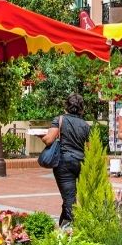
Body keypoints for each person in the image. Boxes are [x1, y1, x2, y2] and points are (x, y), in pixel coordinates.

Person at [40, 93, 91, 227]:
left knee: (69, 197)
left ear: (66, 106)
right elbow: (90, 150)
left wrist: (41, 136)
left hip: (64, 163)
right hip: (81, 162)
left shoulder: (60, 120)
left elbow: (49, 139)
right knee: (69, 196)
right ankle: (63, 224)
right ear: (82, 108)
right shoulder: (85, 125)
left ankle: (70, 228)